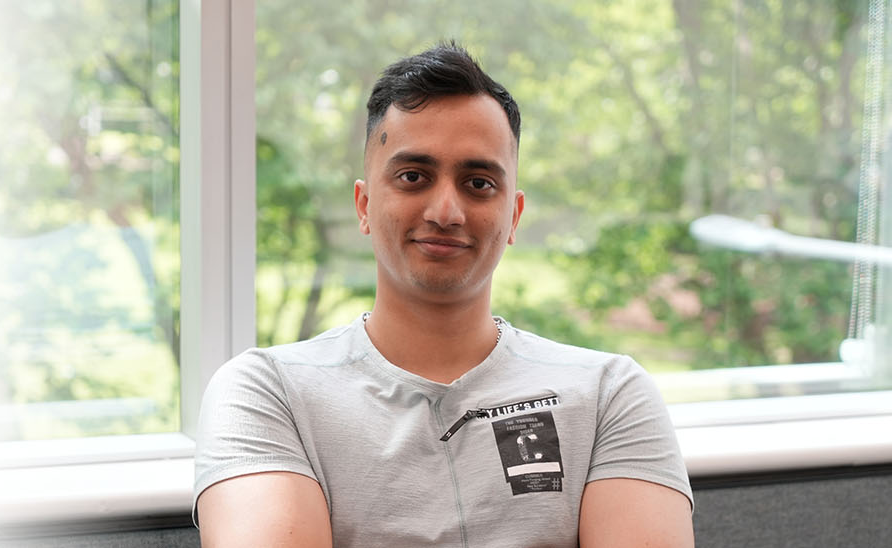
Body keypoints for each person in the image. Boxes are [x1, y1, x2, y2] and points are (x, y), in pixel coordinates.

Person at [193, 43, 694, 548]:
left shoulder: (610, 394)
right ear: (364, 205)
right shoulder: (266, 393)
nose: (446, 211)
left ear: (513, 216)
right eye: (414, 177)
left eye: (478, 183)